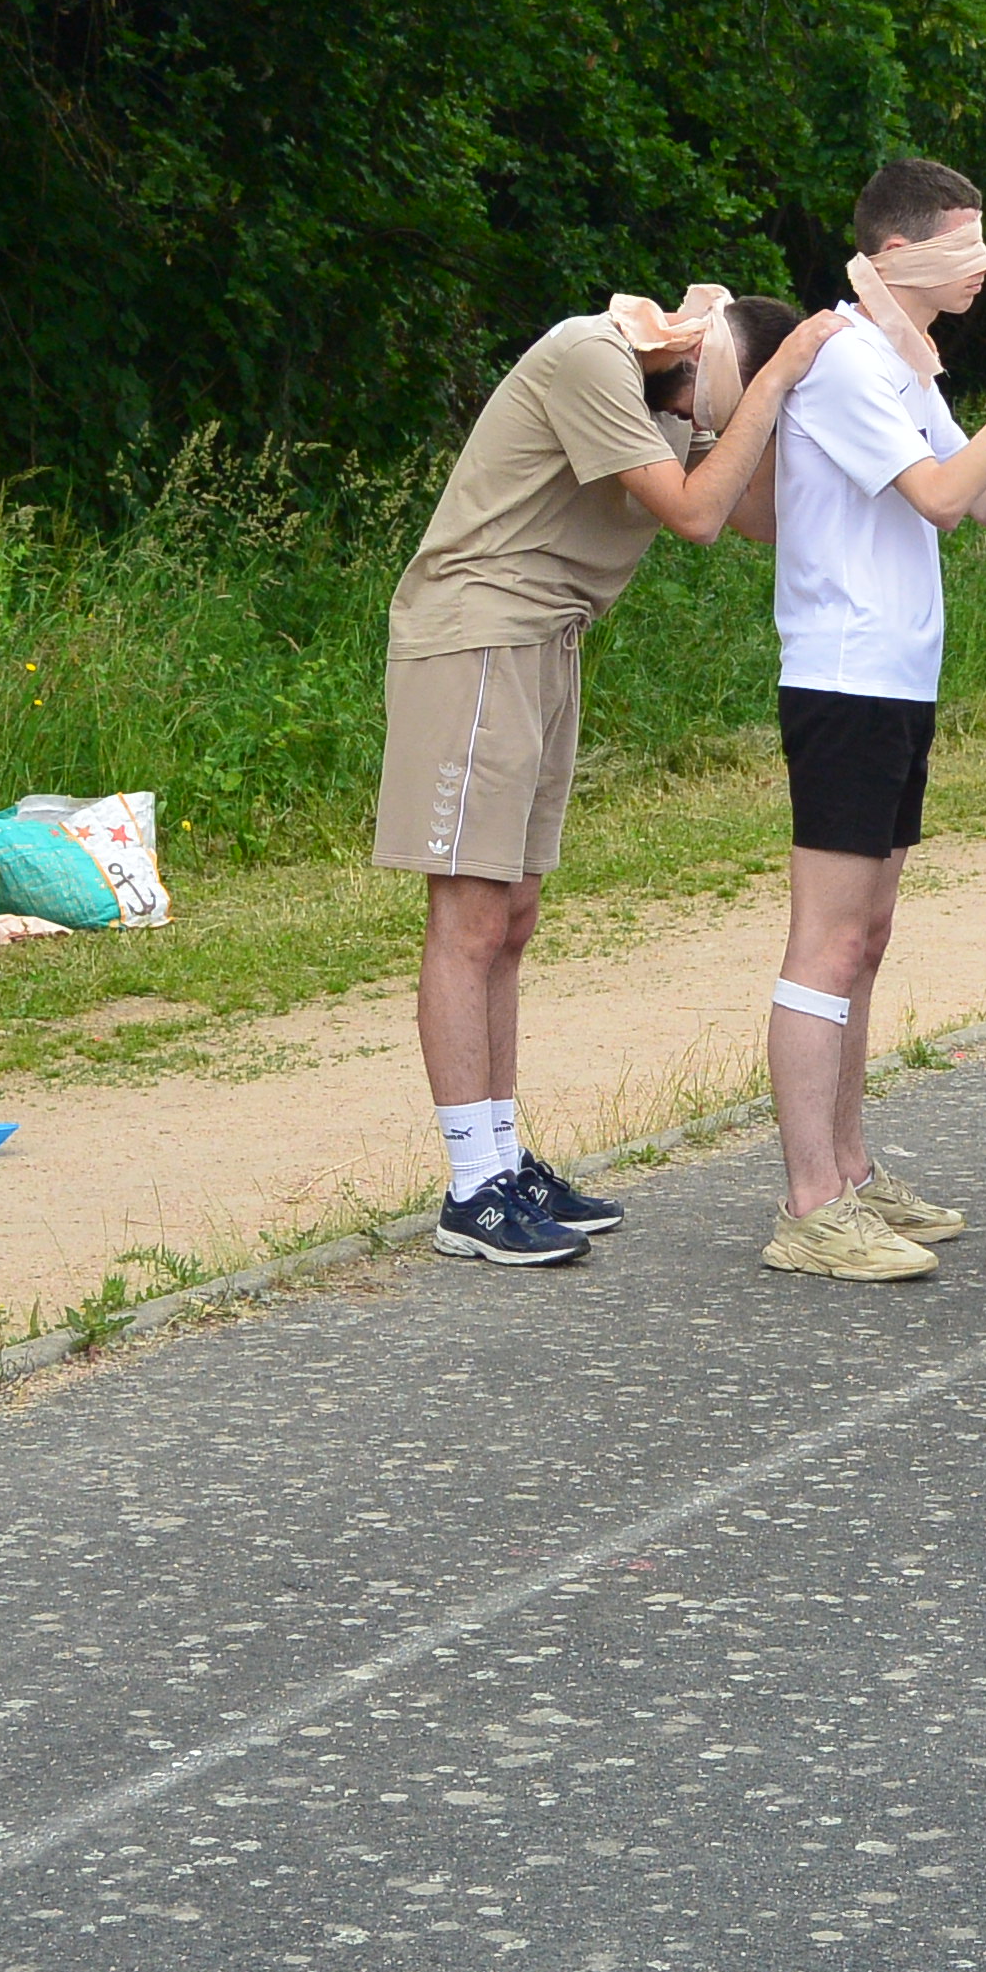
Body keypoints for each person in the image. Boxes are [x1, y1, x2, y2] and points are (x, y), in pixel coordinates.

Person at [378, 288, 835, 1266]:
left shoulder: (666, 395)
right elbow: (698, 517)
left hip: (544, 639)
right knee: (469, 913)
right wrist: (779, 377)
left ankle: (503, 1158)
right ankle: (471, 1188)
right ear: (704, 357)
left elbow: (755, 513)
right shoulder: (594, 356)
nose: (703, 426)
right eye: (718, 404)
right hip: (478, 630)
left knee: (513, 914)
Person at [762, 160, 986, 1287]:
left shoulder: (903, 359)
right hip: (843, 677)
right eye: (967, 244)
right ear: (900, 251)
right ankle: (809, 1203)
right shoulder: (847, 358)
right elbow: (943, 496)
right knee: (827, 942)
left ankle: (851, 1172)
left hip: (895, 681)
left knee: (866, 941)